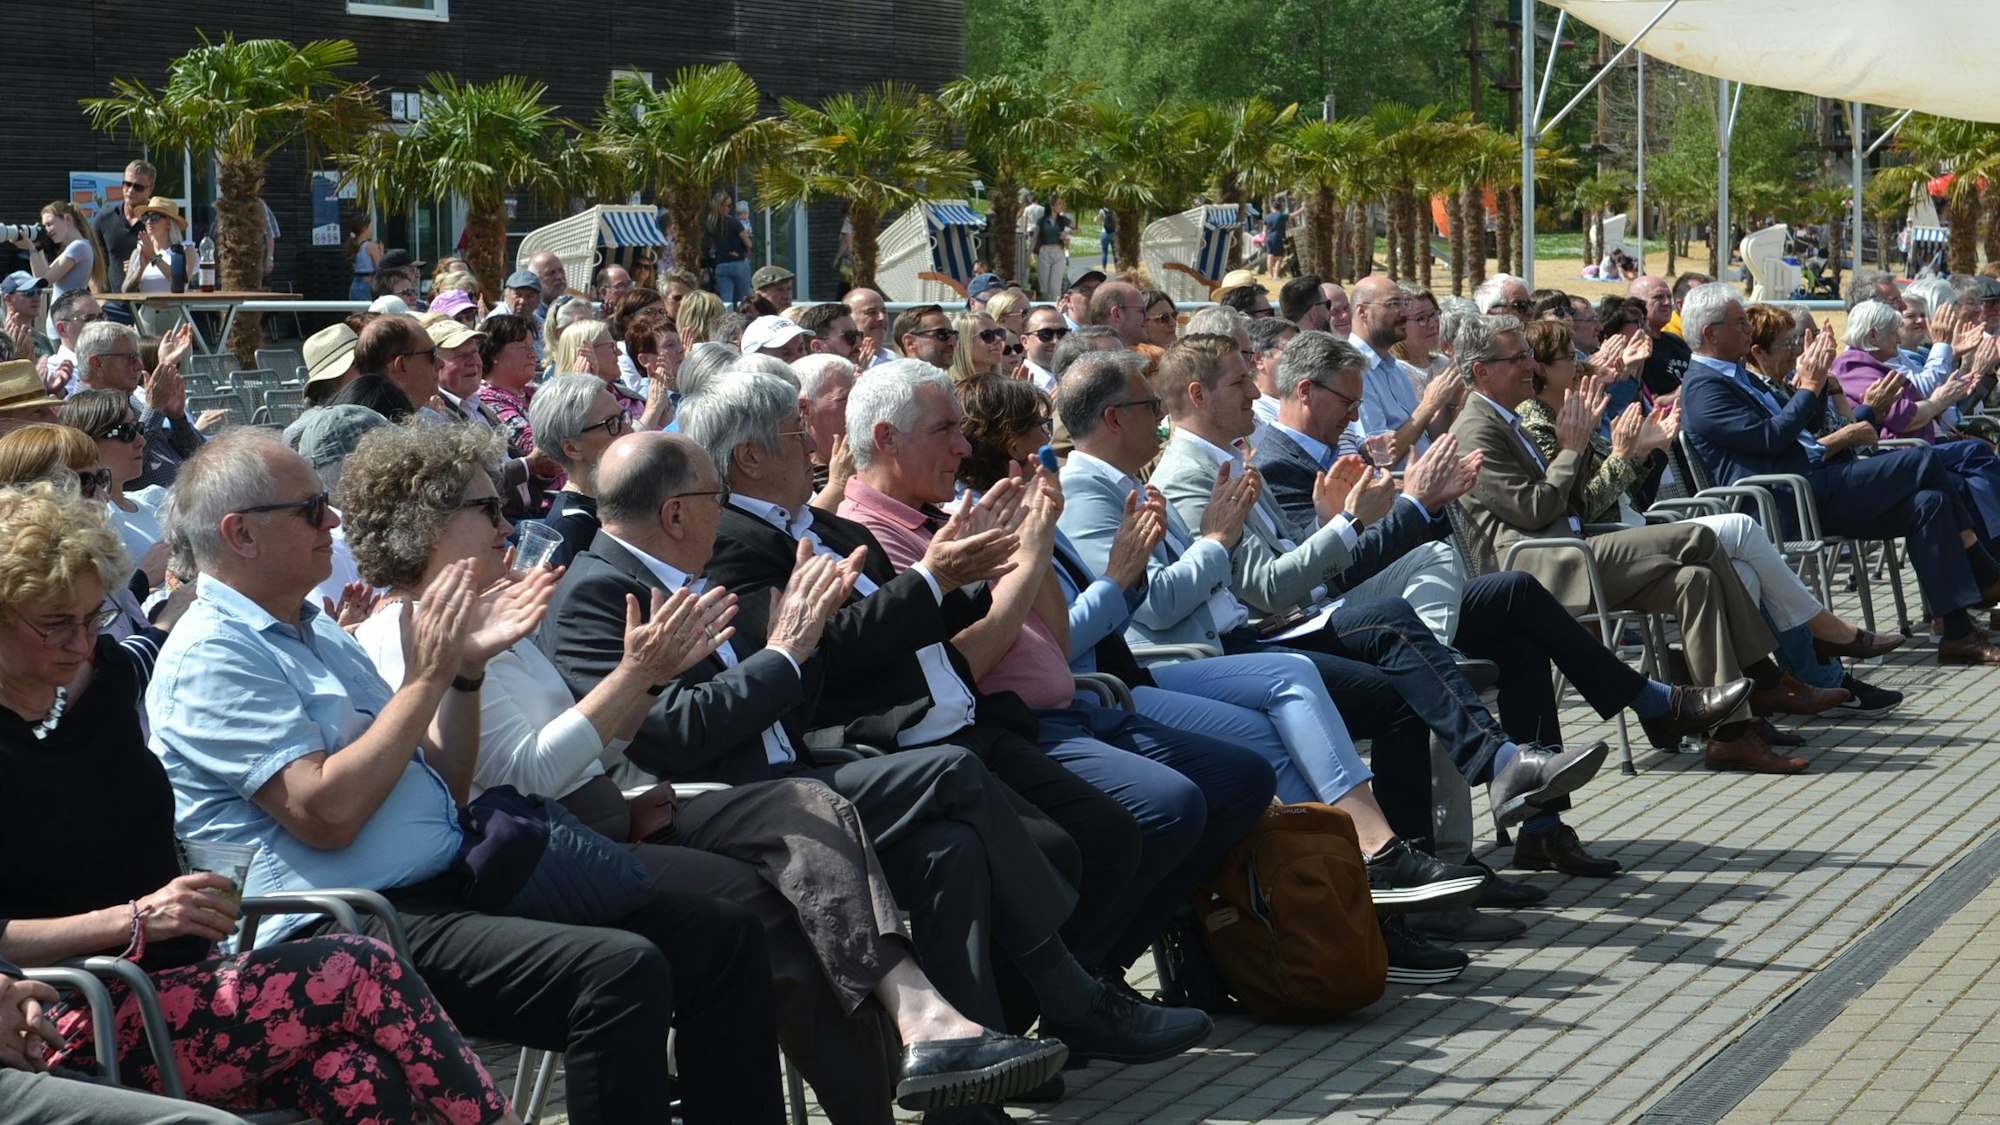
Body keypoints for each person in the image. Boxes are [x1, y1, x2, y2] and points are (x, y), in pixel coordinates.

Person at [338, 423, 1066, 1121]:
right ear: (423, 524)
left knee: (835, 824)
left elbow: (601, 742)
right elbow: (518, 777)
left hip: (616, 810)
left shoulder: (496, 610)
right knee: (774, 901)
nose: (511, 518)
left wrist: (653, 683)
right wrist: (645, 674)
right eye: (489, 505)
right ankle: (936, 1036)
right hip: (551, 848)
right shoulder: (418, 630)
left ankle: (935, 1035)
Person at [540, 425, 1215, 1087]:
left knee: (948, 845)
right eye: (715, 493)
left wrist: (796, 648)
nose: (725, 506)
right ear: (676, 512)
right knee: (953, 771)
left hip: (793, 778)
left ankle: (965, 1079)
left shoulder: (691, 570)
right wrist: (787, 650)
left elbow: (784, 697)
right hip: (715, 810)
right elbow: (674, 735)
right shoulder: (599, 593)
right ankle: (1068, 991)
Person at [151, 429, 787, 1124]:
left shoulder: (315, 628)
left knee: (719, 936)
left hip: (443, 886)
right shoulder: (214, 652)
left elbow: (445, 788)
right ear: (240, 533)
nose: (330, 521)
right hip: (342, 923)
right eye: (310, 509)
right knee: (618, 972)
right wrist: (429, 676)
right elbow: (325, 813)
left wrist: (464, 674)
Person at [0, 481, 519, 1124]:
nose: (81, 643)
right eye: (55, 625)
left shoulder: (105, 678)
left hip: (178, 985)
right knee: (361, 969)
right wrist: (132, 919)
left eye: (93, 617)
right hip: (64, 1012)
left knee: (355, 1076)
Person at [961, 371, 1485, 913]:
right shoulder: (1081, 494)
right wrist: (1204, 546)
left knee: (1354, 686)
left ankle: (1363, 883)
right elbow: (1120, 619)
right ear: (1115, 418)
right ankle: (1362, 876)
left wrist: (1327, 521)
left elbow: (1236, 580)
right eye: (1036, 435)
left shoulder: (1123, 486)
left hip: (1210, 649)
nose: (1048, 447)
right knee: (1305, 692)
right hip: (1124, 680)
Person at [1448, 311, 1828, 773]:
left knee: (1696, 580)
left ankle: (1732, 732)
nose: (1529, 366)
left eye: (1530, 355)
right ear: (1480, 371)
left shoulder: (1508, 417)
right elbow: (1535, 510)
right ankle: (1764, 674)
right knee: (1699, 536)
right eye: (1518, 358)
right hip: (1547, 567)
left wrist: (1622, 448)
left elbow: (1576, 501)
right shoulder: (1476, 428)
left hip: (1580, 547)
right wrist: (1572, 447)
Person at [1518, 318, 1904, 721]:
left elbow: (1630, 499)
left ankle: (1746, 705)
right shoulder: (1542, 422)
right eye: (1569, 358)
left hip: (1633, 534)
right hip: (1603, 549)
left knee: (1743, 573)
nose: (1580, 364)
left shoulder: (1569, 414)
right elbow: (1579, 509)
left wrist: (1649, 453)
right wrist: (1620, 456)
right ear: (1542, 369)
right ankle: (1815, 643)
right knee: (1738, 528)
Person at [1680, 282, 2000, 666]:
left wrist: (1820, 387)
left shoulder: (1735, 375)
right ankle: (1984, 570)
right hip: (1784, 501)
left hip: (1813, 483)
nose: (1748, 330)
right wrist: (1810, 386)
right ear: (1710, 333)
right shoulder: (1704, 388)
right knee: (1920, 461)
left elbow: (1804, 431)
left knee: (1928, 503)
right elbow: (1771, 439)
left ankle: (1957, 633)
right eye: (1739, 324)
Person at [73, 321, 202, 491]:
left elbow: (197, 456)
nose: (140, 366)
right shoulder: (81, 410)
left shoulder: (132, 400)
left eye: (138, 356)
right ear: (97, 363)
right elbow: (120, 470)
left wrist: (177, 418)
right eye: (130, 358)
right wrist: (154, 408)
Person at [529, 373, 624, 568]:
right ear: (572, 448)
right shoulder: (569, 528)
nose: (628, 430)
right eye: (611, 423)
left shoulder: (618, 496)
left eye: (624, 417)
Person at [13, 203, 104, 339]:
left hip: (65, 324)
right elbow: (40, 276)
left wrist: (31, 246)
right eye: (44, 226)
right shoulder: (75, 247)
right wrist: (35, 248)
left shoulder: (78, 247)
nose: (47, 230)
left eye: (50, 224)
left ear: (67, 219)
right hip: (62, 323)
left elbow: (45, 281)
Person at [118, 199, 193, 336]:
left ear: (169, 222)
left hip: (175, 316)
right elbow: (125, 291)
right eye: (146, 217)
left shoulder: (184, 249)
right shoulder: (139, 251)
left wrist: (154, 257)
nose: (148, 221)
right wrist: (141, 268)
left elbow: (182, 282)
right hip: (146, 316)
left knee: (178, 357)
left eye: (155, 217)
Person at [93, 160, 156, 308]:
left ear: (150, 189)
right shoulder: (105, 218)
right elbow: (93, 261)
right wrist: (98, 297)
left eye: (138, 187)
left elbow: (169, 260)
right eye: (127, 184)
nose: (130, 190)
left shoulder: (157, 221)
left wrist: (141, 264)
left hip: (149, 305)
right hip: (113, 306)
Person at [706, 192, 754, 305]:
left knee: (726, 301)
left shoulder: (711, 224)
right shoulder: (734, 222)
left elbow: (713, 245)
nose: (731, 208)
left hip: (721, 264)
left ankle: (727, 321)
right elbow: (748, 243)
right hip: (739, 264)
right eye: (729, 205)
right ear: (721, 206)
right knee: (744, 301)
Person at [1031, 196, 1072, 299]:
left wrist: (1067, 233)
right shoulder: (1042, 220)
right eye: (1058, 204)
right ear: (1051, 206)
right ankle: (1047, 307)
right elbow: (1035, 238)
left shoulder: (1063, 220)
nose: (1061, 206)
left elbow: (1079, 230)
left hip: (1058, 252)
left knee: (1055, 287)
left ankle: (1056, 310)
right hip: (1045, 252)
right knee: (1044, 288)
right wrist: (1029, 254)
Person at [842, 287, 894, 368]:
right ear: (848, 317)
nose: (882, 317)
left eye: (884, 311)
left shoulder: (896, 361)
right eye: (872, 312)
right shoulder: (839, 364)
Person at [948, 312, 1006, 381]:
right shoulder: (946, 390)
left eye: (999, 333)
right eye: (988, 335)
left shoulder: (1006, 388)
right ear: (964, 343)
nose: (998, 339)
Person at [344, 216, 381, 303]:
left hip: (355, 284)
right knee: (368, 315)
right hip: (367, 283)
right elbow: (380, 267)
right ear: (364, 229)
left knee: (356, 315)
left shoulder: (352, 246)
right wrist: (381, 253)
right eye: (370, 227)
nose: (372, 231)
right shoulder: (371, 246)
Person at [1262, 200, 1289, 277]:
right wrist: (1302, 209)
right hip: (1278, 238)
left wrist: (1264, 238)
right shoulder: (1281, 215)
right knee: (1279, 257)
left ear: (1272, 208)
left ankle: (1270, 274)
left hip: (1269, 238)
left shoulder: (1267, 217)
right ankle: (1275, 275)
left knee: (1270, 256)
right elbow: (1293, 215)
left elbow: (1264, 231)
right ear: (1279, 208)